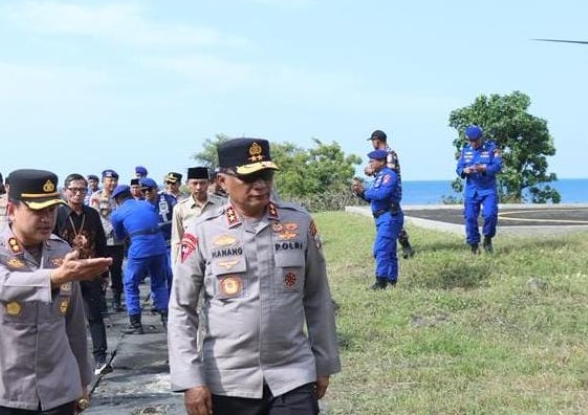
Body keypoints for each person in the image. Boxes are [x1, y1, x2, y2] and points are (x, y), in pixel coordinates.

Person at [168, 137, 341, 415]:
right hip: (227, 381)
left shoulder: (298, 222)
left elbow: (317, 297)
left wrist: (324, 362)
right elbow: (181, 309)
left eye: (266, 175)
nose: (260, 185)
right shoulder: (203, 231)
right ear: (222, 181)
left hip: (292, 374)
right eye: (249, 177)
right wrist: (190, 379)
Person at [0, 169, 112, 415]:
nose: (46, 218)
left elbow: (74, 324)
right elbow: (4, 284)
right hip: (5, 390)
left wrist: (82, 380)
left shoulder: (61, 251)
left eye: (51, 210)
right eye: (37, 210)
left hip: (58, 388)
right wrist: (56, 277)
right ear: (12, 211)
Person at [54, 174, 112, 375]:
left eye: (82, 190)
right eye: (74, 190)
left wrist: (105, 272)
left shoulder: (92, 214)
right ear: (65, 191)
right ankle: (65, 359)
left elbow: (102, 243)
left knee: (95, 315)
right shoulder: (58, 214)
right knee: (62, 317)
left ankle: (100, 358)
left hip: (89, 272)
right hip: (66, 273)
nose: (78, 193)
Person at [110, 185, 169, 333]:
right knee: (159, 282)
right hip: (159, 246)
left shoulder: (117, 213)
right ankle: (166, 319)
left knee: (130, 283)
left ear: (117, 199)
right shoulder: (146, 204)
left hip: (139, 248)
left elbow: (119, 236)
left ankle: (135, 323)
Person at [353, 149, 404, 289]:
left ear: (381, 161)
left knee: (381, 249)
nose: (370, 163)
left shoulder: (389, 176)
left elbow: (381, 194)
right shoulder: (379, 176)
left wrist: (365, 191)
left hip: (389, 217)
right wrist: (360, 193)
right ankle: (391, 280)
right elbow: (373, 198)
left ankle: (381, 282)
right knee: (389, 251)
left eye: (372, 160)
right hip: (382, 217)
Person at [367, 129, 415, 259]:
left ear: (377, 140)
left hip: (391, 191)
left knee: (391, 217)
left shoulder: (390, 154)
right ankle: (389, 246)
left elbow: (388, 172)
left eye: (372, 141)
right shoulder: (378, 155)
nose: (372, 143)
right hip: (382, 189)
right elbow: (372, 169)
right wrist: (370, 170)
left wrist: (373, 170)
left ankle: (405, 246)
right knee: (385, 218)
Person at [456, 125, 502, 254]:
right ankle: (474, 245)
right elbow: (459, 168)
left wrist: (485, 169)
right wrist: (464, 171)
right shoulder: (465, 151)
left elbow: (498, 167)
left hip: (488, 189)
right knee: (470, 217)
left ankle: (487, 239)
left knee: (490, 215)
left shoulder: (492, 149)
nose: (473, 143)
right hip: (472, 190)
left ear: (481, 138)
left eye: (476, 140)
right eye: (471, 140)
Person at [170, 167, 224, 266]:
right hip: (191, 259)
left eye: (202, 183)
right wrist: (176, 266)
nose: (199, 187)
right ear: (188, 184)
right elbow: (177, 240)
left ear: (208, 183)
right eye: (194, 183)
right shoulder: (180, 208)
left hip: (218, 256)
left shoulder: (222, 204)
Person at [90, 169, 125, 311]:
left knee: (116, 271)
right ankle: (101, 299)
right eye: (109, 180)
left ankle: (117, 300)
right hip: (102, 239)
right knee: (101, 270)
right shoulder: (96, 197)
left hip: (117, 241)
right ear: (103, 181)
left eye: (115, 180)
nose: (112, 183)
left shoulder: (121, 197)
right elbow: (95, 217)